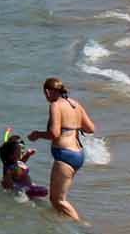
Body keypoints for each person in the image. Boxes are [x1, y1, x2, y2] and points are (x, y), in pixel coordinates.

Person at [29, 77, 95, 222]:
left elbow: (54, 134)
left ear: (47, 92)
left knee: (58, 200)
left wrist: (37, 134)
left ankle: (81, 227)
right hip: (78, 154)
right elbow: (91, 129)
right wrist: (73, 124)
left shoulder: (55, 105)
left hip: (65, 155)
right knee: (57, 200)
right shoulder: (75, 104)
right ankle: (62, 226)